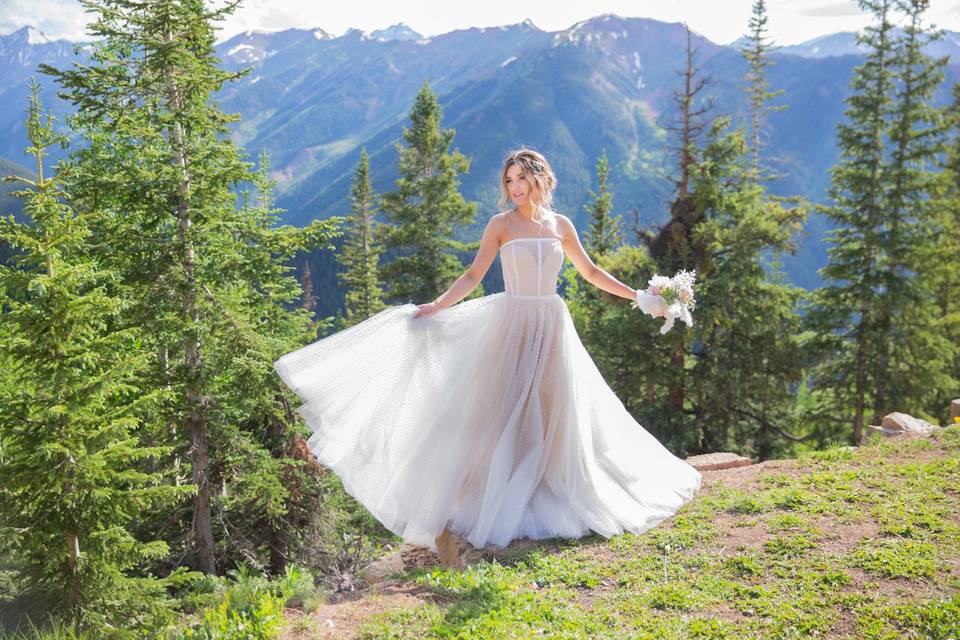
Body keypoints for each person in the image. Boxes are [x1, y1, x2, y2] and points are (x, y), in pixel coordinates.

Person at [274, 148, 702, 569]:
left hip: (551, 324)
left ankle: (547, 481)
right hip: (512, 323)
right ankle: (499, 491)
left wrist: (643, 298)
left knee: (553, 407)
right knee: (504, 410)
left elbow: (590, 273)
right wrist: (437, 306)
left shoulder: (561, 225)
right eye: (509, 180)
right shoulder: (501, 225)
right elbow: (474, 275)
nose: (514, 187)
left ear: (540, 179)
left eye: (521, 179)